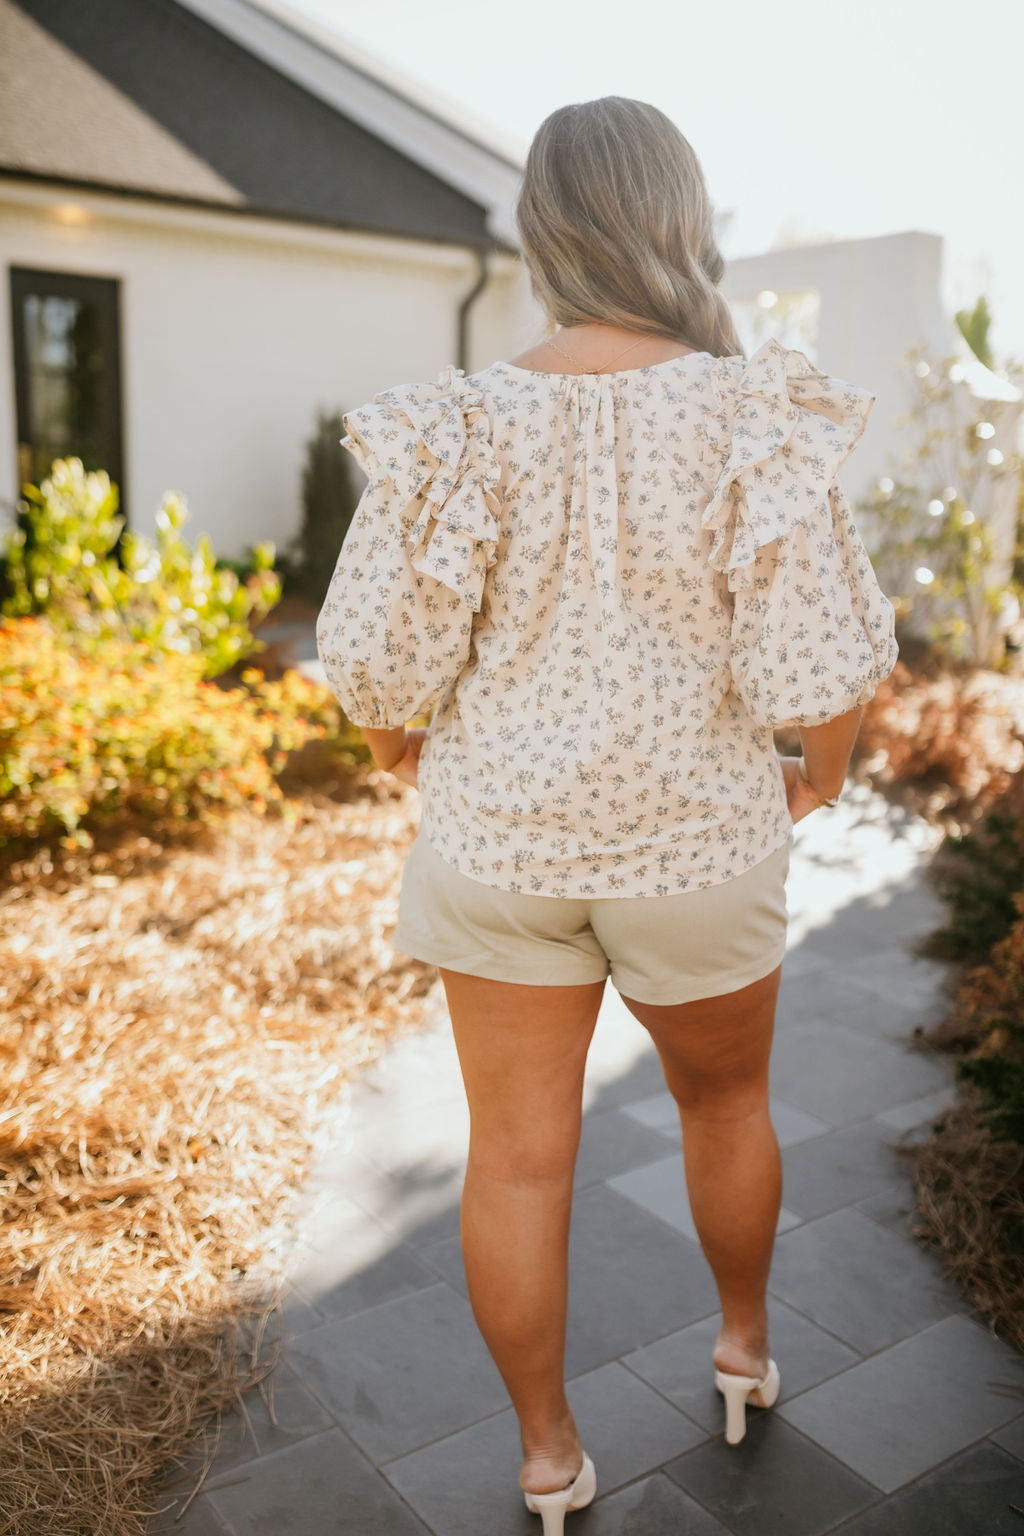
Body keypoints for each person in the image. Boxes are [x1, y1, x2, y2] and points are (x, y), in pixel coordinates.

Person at [316, 95, 899, 1535]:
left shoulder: (460, 421)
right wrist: (813, 777)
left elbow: (377, 665)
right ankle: (744, 1352)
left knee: (515, 1161)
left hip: (500, 850)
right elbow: (827, 659)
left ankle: (544, 1457)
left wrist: (411, 753)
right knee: (729, 1105)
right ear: (679, 221)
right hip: (698, 850)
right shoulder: (749, 408)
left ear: (542, 231)